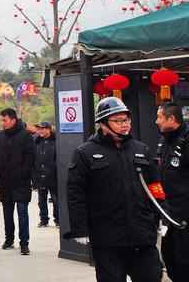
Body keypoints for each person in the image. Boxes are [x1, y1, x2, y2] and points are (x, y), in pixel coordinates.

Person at [65, 97, 162, 282]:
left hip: (141, 235)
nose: (124, 125)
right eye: (117, 121)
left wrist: (162, 216)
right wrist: (80, 229)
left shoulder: (141, 150)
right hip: (107, 238)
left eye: (126, 120)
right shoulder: (85, 153)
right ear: (102, 124)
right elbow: (76, 194)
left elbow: (155, 186)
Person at [0, 108, 36, 255]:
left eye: (5, 120)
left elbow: (31, 158)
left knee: (22, 213)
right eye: (2, 120)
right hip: (5, 182)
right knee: (7, 213)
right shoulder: (0, 136)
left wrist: (24, 174)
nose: (2, 123)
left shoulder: (26, 136)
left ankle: (24, 243)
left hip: (21, 182)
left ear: (13, 120)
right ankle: (9, 239)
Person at [155, 101, 189, 281]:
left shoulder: (186, 141)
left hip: (185, 215)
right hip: (168, 213)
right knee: (170, 258)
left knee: (184, 261)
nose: (156, 121)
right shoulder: (164, 140)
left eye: (160, 117)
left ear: (172, 119)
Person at [33, 121, 58, 227]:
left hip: (53, 175)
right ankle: (44, 219)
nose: (41, 131)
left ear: (49, 129)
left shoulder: (56, 140)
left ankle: (58, 219)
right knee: (41, 200)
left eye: (43, 128)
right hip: (40, 175)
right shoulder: (36, 141)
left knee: (56, 199)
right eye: (39, 129)